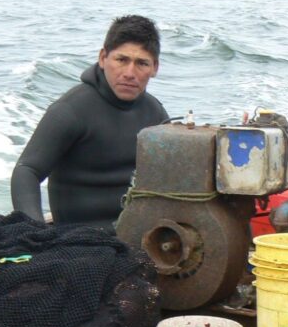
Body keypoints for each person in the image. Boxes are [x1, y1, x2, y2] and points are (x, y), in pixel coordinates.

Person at [11, 15, 169, 230]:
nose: (130, 73)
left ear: (155, 68)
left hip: (135, 233)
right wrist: (36, 232)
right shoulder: (71, 110)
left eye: (142, 63)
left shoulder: (155, 114)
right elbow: (26, 171)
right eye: (121, 60)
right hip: (78, 238)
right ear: (103, 58)